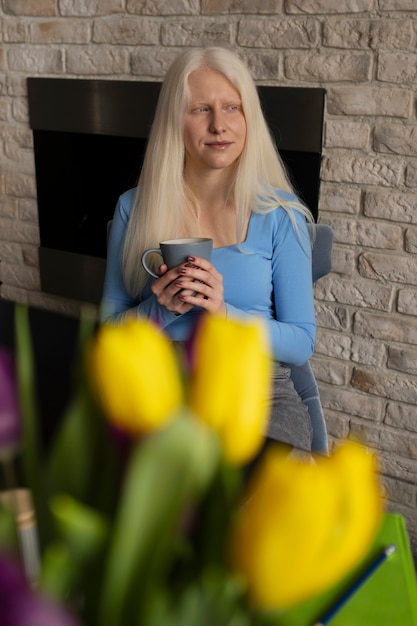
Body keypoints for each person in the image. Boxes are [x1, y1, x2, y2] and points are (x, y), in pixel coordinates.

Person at [101, 46, 325, 455]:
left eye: (232, 108)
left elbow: (300, 341)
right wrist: (160, 310)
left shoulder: (281, 216)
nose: (219, 125)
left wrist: (223, 315)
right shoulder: (133, 207)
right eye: (201, 109)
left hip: (257, 391)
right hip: (162, 388)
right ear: (175, 120)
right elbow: (106, 335)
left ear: (248, 118)